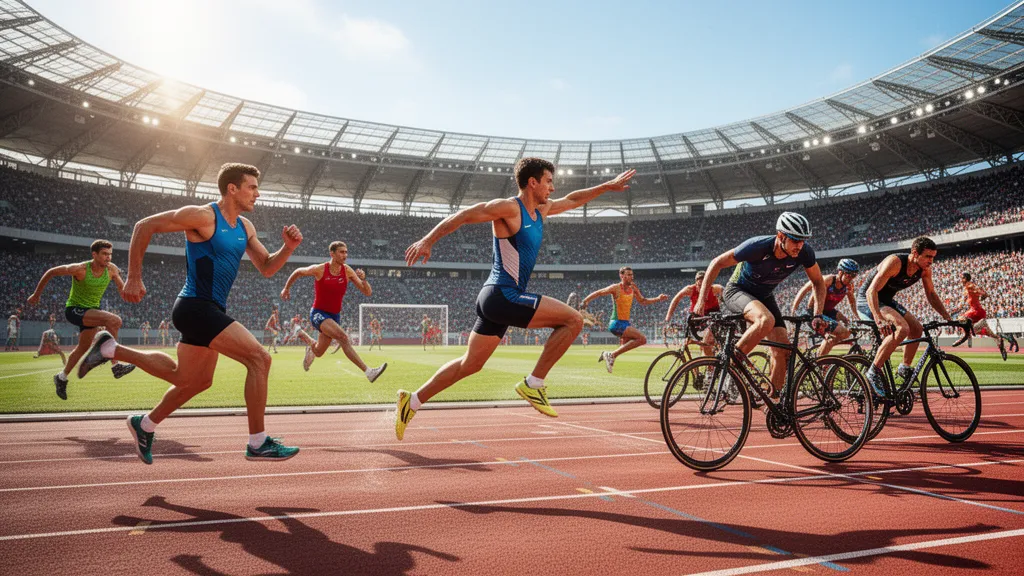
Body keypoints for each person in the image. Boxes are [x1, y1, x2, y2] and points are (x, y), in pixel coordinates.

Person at [75, 163, 304, 463]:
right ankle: (258, 442)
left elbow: (267, 267)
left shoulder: (246, 228)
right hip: (195, 306)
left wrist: (288, 248)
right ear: (232, 188)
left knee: (192, 380)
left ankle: (140, 414)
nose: (257, 194)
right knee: (260, 359)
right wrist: (133, 276)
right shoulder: (203, 216)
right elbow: (144, 226)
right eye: (252, 187)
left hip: (209, 309)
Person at [394, 158, 636, 440]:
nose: (552, 187)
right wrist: (427, 240)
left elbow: (573, 199)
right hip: (503, 294)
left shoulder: (542, 210)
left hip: (496, 299)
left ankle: (411, 401)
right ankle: (534, 383)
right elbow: (465, 214)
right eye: (548, 181)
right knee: (573, 319)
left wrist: (607, 186)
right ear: (532, 182)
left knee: (470, 364)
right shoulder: (509, 208)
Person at [695, 212, 827, 396]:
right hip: (737, 291)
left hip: (764, 295)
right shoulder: (756, 246)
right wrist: (701, 300)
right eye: (796, 240)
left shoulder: (804, 252)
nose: (800, 245)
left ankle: (773, 404)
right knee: (765, 319)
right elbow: (716, 263)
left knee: (782, 350)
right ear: (781, 236)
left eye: (803, 240)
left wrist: (818, 314)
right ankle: (732, 366)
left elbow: (819, 282)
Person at [26, 239, 136, 400]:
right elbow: (51, 272)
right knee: (115, 320)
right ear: (94, 254)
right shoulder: (80, 269)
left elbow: (122, 288)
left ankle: (61, 377)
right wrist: (36, 295)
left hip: (92, 312)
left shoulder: (111, 270)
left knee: (83, 347)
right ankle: (115, 365)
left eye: (110, 254)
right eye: (104, 254)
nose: (108, 258)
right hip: (75, 310)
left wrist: (131, 289)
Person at [856, 236, 951, 395]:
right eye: (927, 256)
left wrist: (948, 318)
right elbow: (871, 291)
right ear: (915, 253)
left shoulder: (925, 270)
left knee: (916, 328)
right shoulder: (895, 262)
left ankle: (904, 368)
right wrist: (878, 318)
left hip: (886, 300)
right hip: (868, 300)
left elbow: (932, 295)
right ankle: (873, 371)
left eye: (933, 257)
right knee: (902, 328)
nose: (931, 261)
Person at [280, 241, 386, 381]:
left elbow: (367, 292)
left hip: (334, 316)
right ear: (332, 253)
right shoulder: (320, 269)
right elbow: (299, 271)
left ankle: (301, 333)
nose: (345, 255)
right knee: (343, 337)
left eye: (346, 252)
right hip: (318, 313)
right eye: (341, 252)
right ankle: (368, 371)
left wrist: (364, 280)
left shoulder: (347, 271)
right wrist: (286, 288)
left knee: (318, 352)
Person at [581, 267, 668, 373]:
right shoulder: (616, 288)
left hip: (625, 323)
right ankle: (611, 355)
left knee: (626, 345)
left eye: (632, 274)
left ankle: (608, 355)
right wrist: (585, 301)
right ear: (621, 276)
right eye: (628, 274)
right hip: (616, 323)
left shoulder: (633, 288)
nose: (631, 277)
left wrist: (658, 298)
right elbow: (600, 292)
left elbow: (643, 301)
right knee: (642, 339)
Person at [791, 258, 860, 357]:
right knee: (840, 332)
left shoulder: (849, 286)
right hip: (815, 311)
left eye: (854, 276)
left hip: (828, 311)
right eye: (849, 275)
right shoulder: (828, 280)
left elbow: (852, 303)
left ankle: (822, 351)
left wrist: (858, 318)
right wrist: (794, 308)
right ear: (840, 272)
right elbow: (805, 288)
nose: (851, 278)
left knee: (847, 325)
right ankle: (819, 358)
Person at [957, 271, 1017, 359]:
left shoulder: (969, 286)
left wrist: (982, 296)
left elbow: (983, 293)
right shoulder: (967, 288)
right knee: (990, 334)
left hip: (976, 312)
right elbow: (981, 294)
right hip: (978, 313)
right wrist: (981, 297)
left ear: (965, 279)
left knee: (961, 319)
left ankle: (968, 335)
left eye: (961, 278)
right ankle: (1001, 345)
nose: (960, 280)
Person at [665, 270, 724, 357]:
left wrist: (723, 300)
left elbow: (724, 291)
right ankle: (699, 366)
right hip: (697, 316)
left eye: (704, 285)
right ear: (696, 284)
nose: (702, 289)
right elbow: (676, 299)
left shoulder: (715, 288)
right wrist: (668, 317)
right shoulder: (690, 289)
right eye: (699, 285)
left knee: (706, 344)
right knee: (695, 344)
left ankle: (712, 365)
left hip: (712, 314)